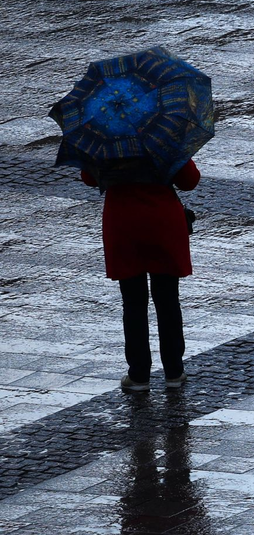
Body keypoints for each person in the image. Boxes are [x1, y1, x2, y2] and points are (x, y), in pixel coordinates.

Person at [82, 158, 199, 391]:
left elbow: (89, 177)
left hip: (123, 223)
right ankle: (174, 371)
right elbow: (189, 180)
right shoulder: (163, 139)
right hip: (162, 222)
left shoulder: (109, 140)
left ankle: (139, 374)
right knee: (168, 300)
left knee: (133, 303)